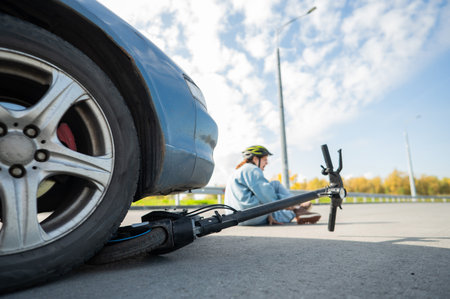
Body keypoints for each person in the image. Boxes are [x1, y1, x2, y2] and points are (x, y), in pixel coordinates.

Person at [224, 145, 321, 225]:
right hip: (250, 217)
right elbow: (267, 195)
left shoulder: (238, 171)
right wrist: (288, 205)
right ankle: (298, 209)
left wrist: (270, 211)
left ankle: (297, 209)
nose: (267, 163)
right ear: (255, 159)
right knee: (281, 210)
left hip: (235, 217)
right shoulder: (252, 169)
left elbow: (262, 194)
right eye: (265, 159)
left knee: (274, 185)